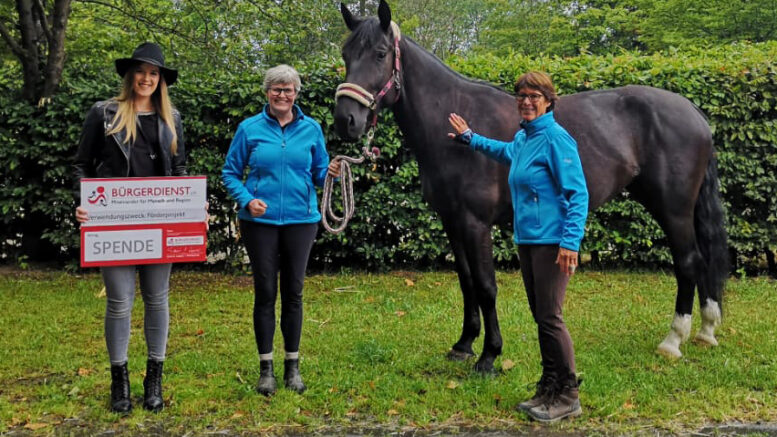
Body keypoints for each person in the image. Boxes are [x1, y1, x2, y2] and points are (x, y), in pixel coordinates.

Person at [448, 71, 589, 423]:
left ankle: (568, 394)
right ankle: (549, 385)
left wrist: (570, 242)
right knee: (541, 317)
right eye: (521, 96)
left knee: (551, 318)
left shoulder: (557, 139)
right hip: (527, 241)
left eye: (534, 96)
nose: (526, 102)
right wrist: (470, 138)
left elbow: (578, 193)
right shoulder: (525, 138)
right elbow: (505, 151)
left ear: (548, 100)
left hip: (552, 242)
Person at [74, 42, 186, 414]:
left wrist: (191, 203)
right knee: (120, 303)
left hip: (160, 225)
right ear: (129, 75)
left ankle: (154, 377)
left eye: (154, 73)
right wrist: (83, 203)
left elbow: (180, 170)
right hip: (114, 225)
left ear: (161, 80)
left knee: (157, 300)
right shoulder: (103, 114)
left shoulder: (172, 119)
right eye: (141, 71)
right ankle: (118, 379)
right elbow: (81, 165)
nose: (147, 78)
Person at [221, 64, 341, 396]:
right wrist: (247, 200)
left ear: (296, 94)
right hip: (259, 223)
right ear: (266, 93)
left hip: (302, 221)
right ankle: (266, 369)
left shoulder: (312, 129)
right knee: (265, 293)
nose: (282, 94)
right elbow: (230, 173)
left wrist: (330, 173)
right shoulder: (249, 128)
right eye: (276, 88)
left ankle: (293, 367)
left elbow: (318, 175)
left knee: (294, 293)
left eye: (288, 89)